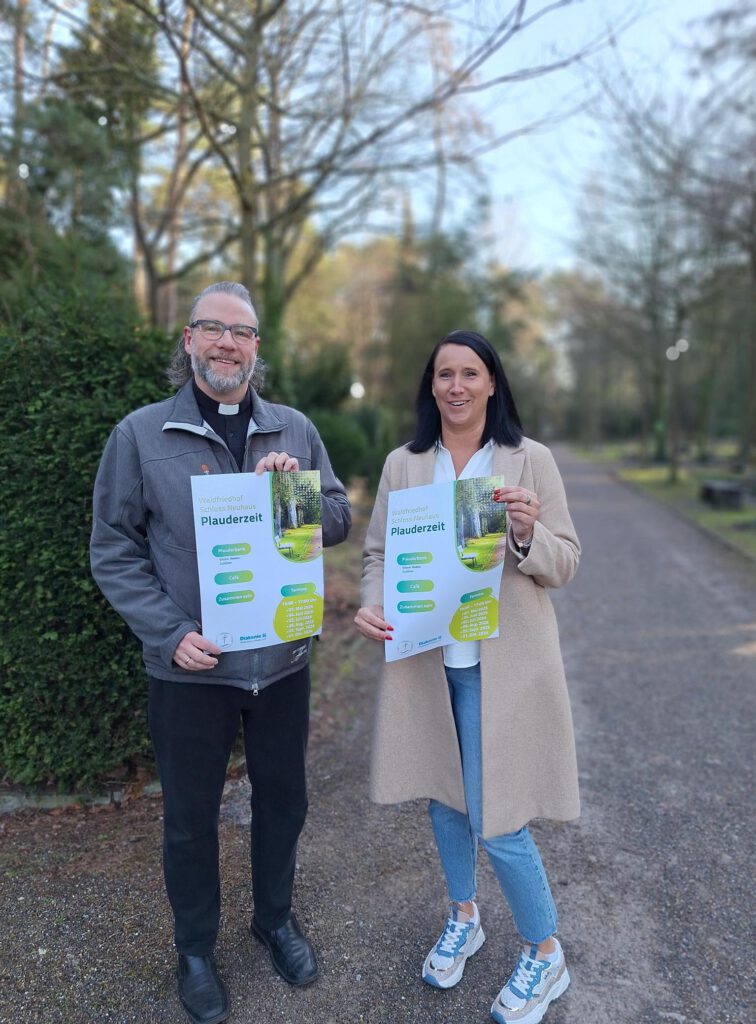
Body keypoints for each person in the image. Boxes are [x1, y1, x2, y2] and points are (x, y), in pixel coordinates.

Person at [90, 281, 351, 1024]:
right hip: (191, 670)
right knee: (190, 817)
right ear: (189, 340)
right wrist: (169, 633)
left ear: (257, 348)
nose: (227, 343)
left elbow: (336, 517)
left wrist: (293, 498)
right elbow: (113, 549)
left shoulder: (294, 429)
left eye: (242, 332)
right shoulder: (141, 435)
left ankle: (274, 920)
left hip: (282, 664)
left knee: (285, 803)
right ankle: (196, 951)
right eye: (213, 328)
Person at [354, 329, 580, 1024]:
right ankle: (464, 917)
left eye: (470, 373)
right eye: (444, 373)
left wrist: (526, 533)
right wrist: (371, 601)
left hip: (500, 669)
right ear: (431, 384)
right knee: (445, 801)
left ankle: (545, 952)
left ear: (492, 383)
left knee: (499, 820)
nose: (456, 386)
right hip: (427, 665)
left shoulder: (529, 459)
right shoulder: (404, 464)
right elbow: (377, 554)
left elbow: (566, 561)